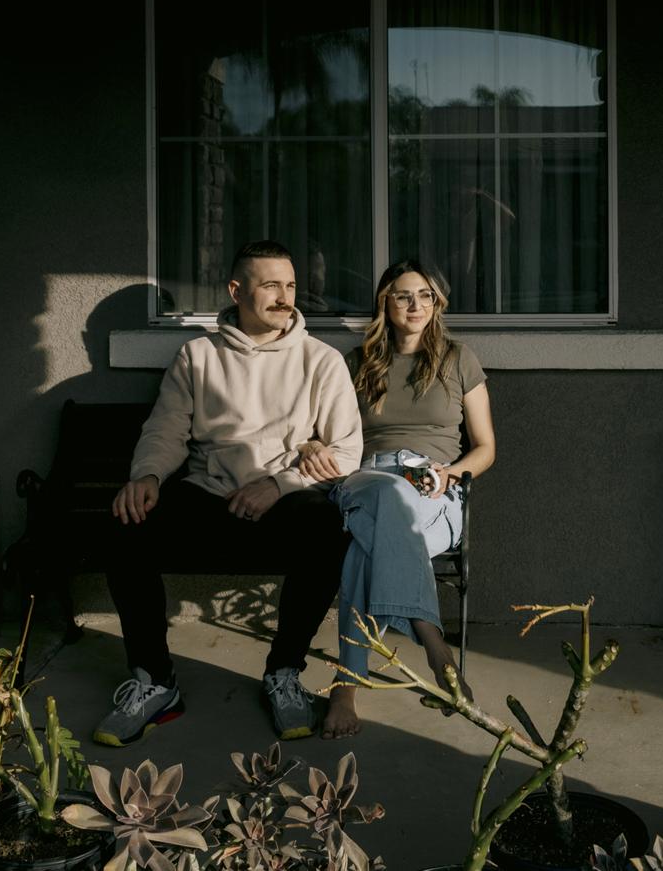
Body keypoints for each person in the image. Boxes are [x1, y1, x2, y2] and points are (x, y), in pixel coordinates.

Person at [94, 240, 362, 747]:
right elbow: (165, 431)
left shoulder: (322, 361)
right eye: (270, 285)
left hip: (285, 500)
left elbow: (347, 451)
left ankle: (283, 672)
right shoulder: (198, 356)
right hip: (209, 495)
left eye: (290, 285)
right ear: (237, 290)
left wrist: (279, 484)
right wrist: (147, 477)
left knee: (329, 529)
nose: (285, 297)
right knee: (125, 523)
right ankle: (155, 682)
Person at [303, 259, 495, 739]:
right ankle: (431, 638)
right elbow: (317, 432)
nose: (416, 305)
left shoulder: (458, 358)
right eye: (404, 295)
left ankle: (346, 684)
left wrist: (451, 474)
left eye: (426, 296)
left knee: (364, 549)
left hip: (435, 486)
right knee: (386, 498)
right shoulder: (355, 362)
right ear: (385, 303)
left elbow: (486, 448)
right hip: (367, 477)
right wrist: (311, 446)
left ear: (437, 304)